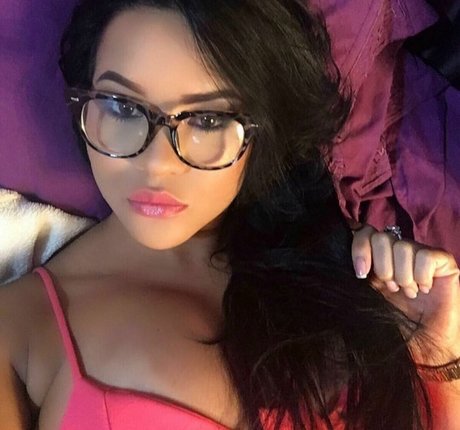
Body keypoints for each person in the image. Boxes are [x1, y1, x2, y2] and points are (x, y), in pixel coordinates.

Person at [0, 0, 459, 429]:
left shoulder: (343, 269)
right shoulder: (19, 329)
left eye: (207, 120)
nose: (157, 164)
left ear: (261, 130)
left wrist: (437, 355)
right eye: (123, 107)